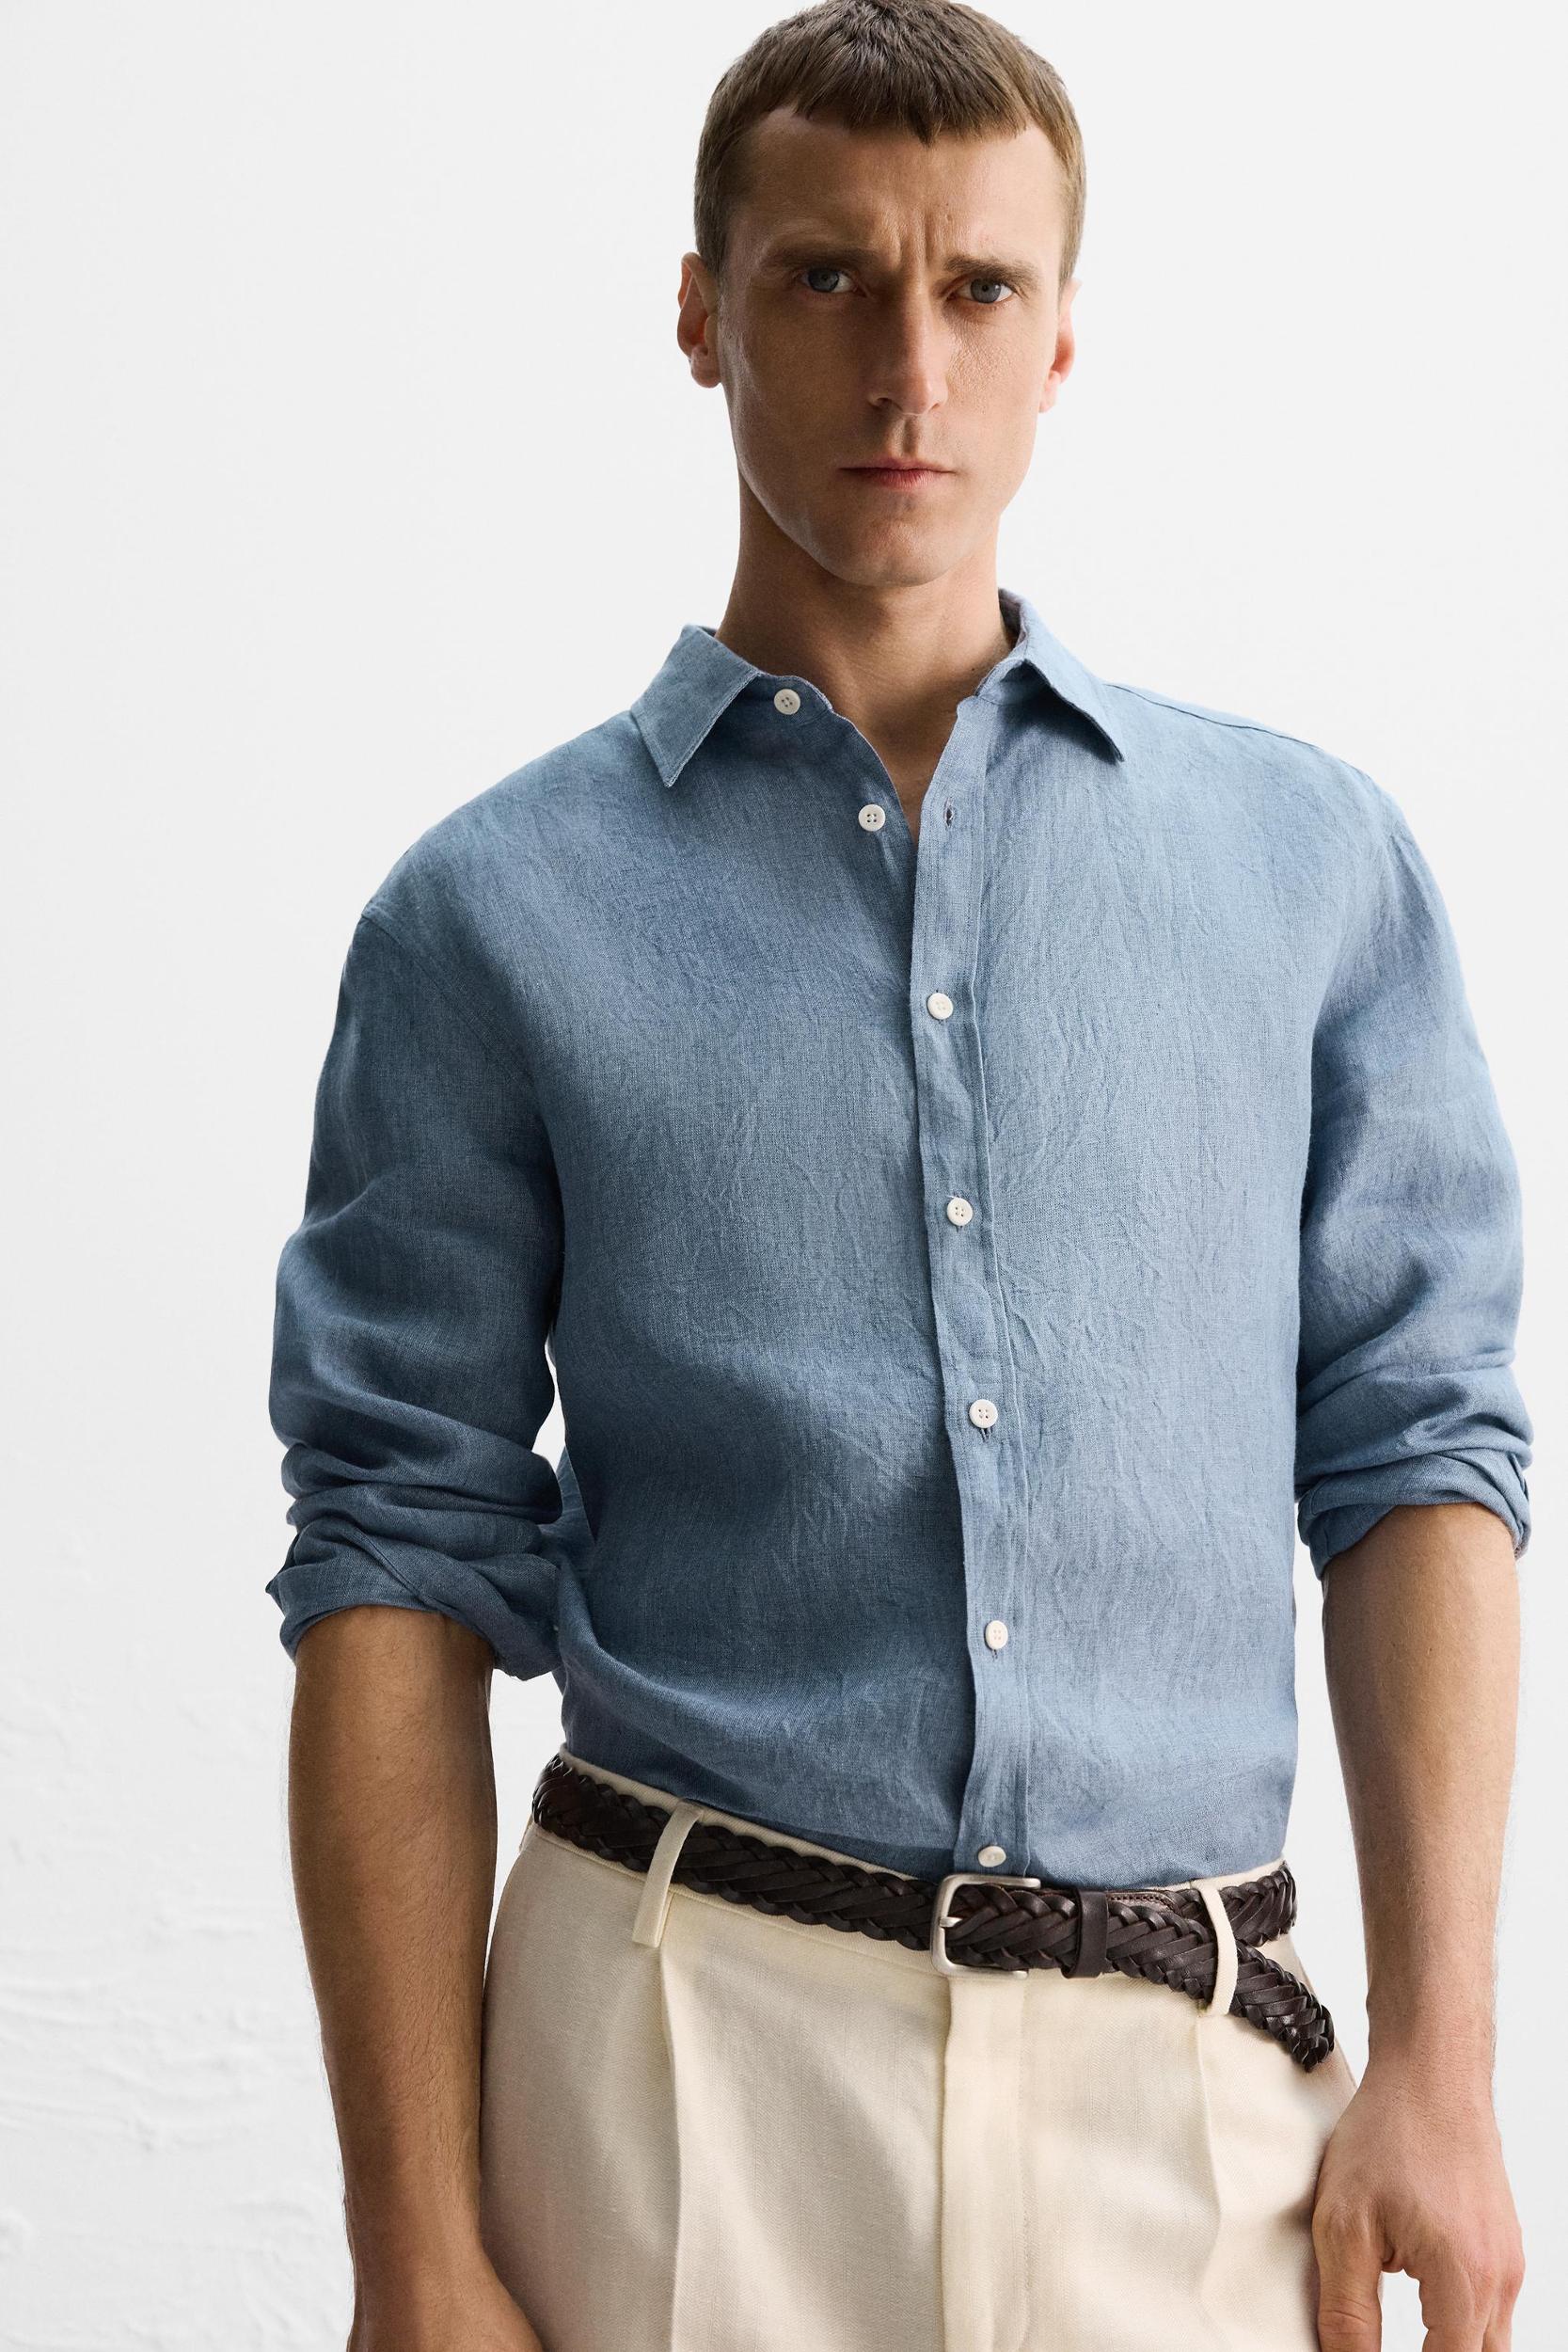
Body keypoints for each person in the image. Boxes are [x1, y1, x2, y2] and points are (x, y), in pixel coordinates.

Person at [265, 5, 1533, 2348]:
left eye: (976, 289)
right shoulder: (486, 918)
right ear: (700, 311)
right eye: (828, 277)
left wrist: (1445, 2057)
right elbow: (392, 1561)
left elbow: (1417, 1450)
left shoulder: (1308, 869)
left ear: (1064, 338)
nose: (908, 371)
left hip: (1195, 2101)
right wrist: (414, 2246)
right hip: (680, 2071)